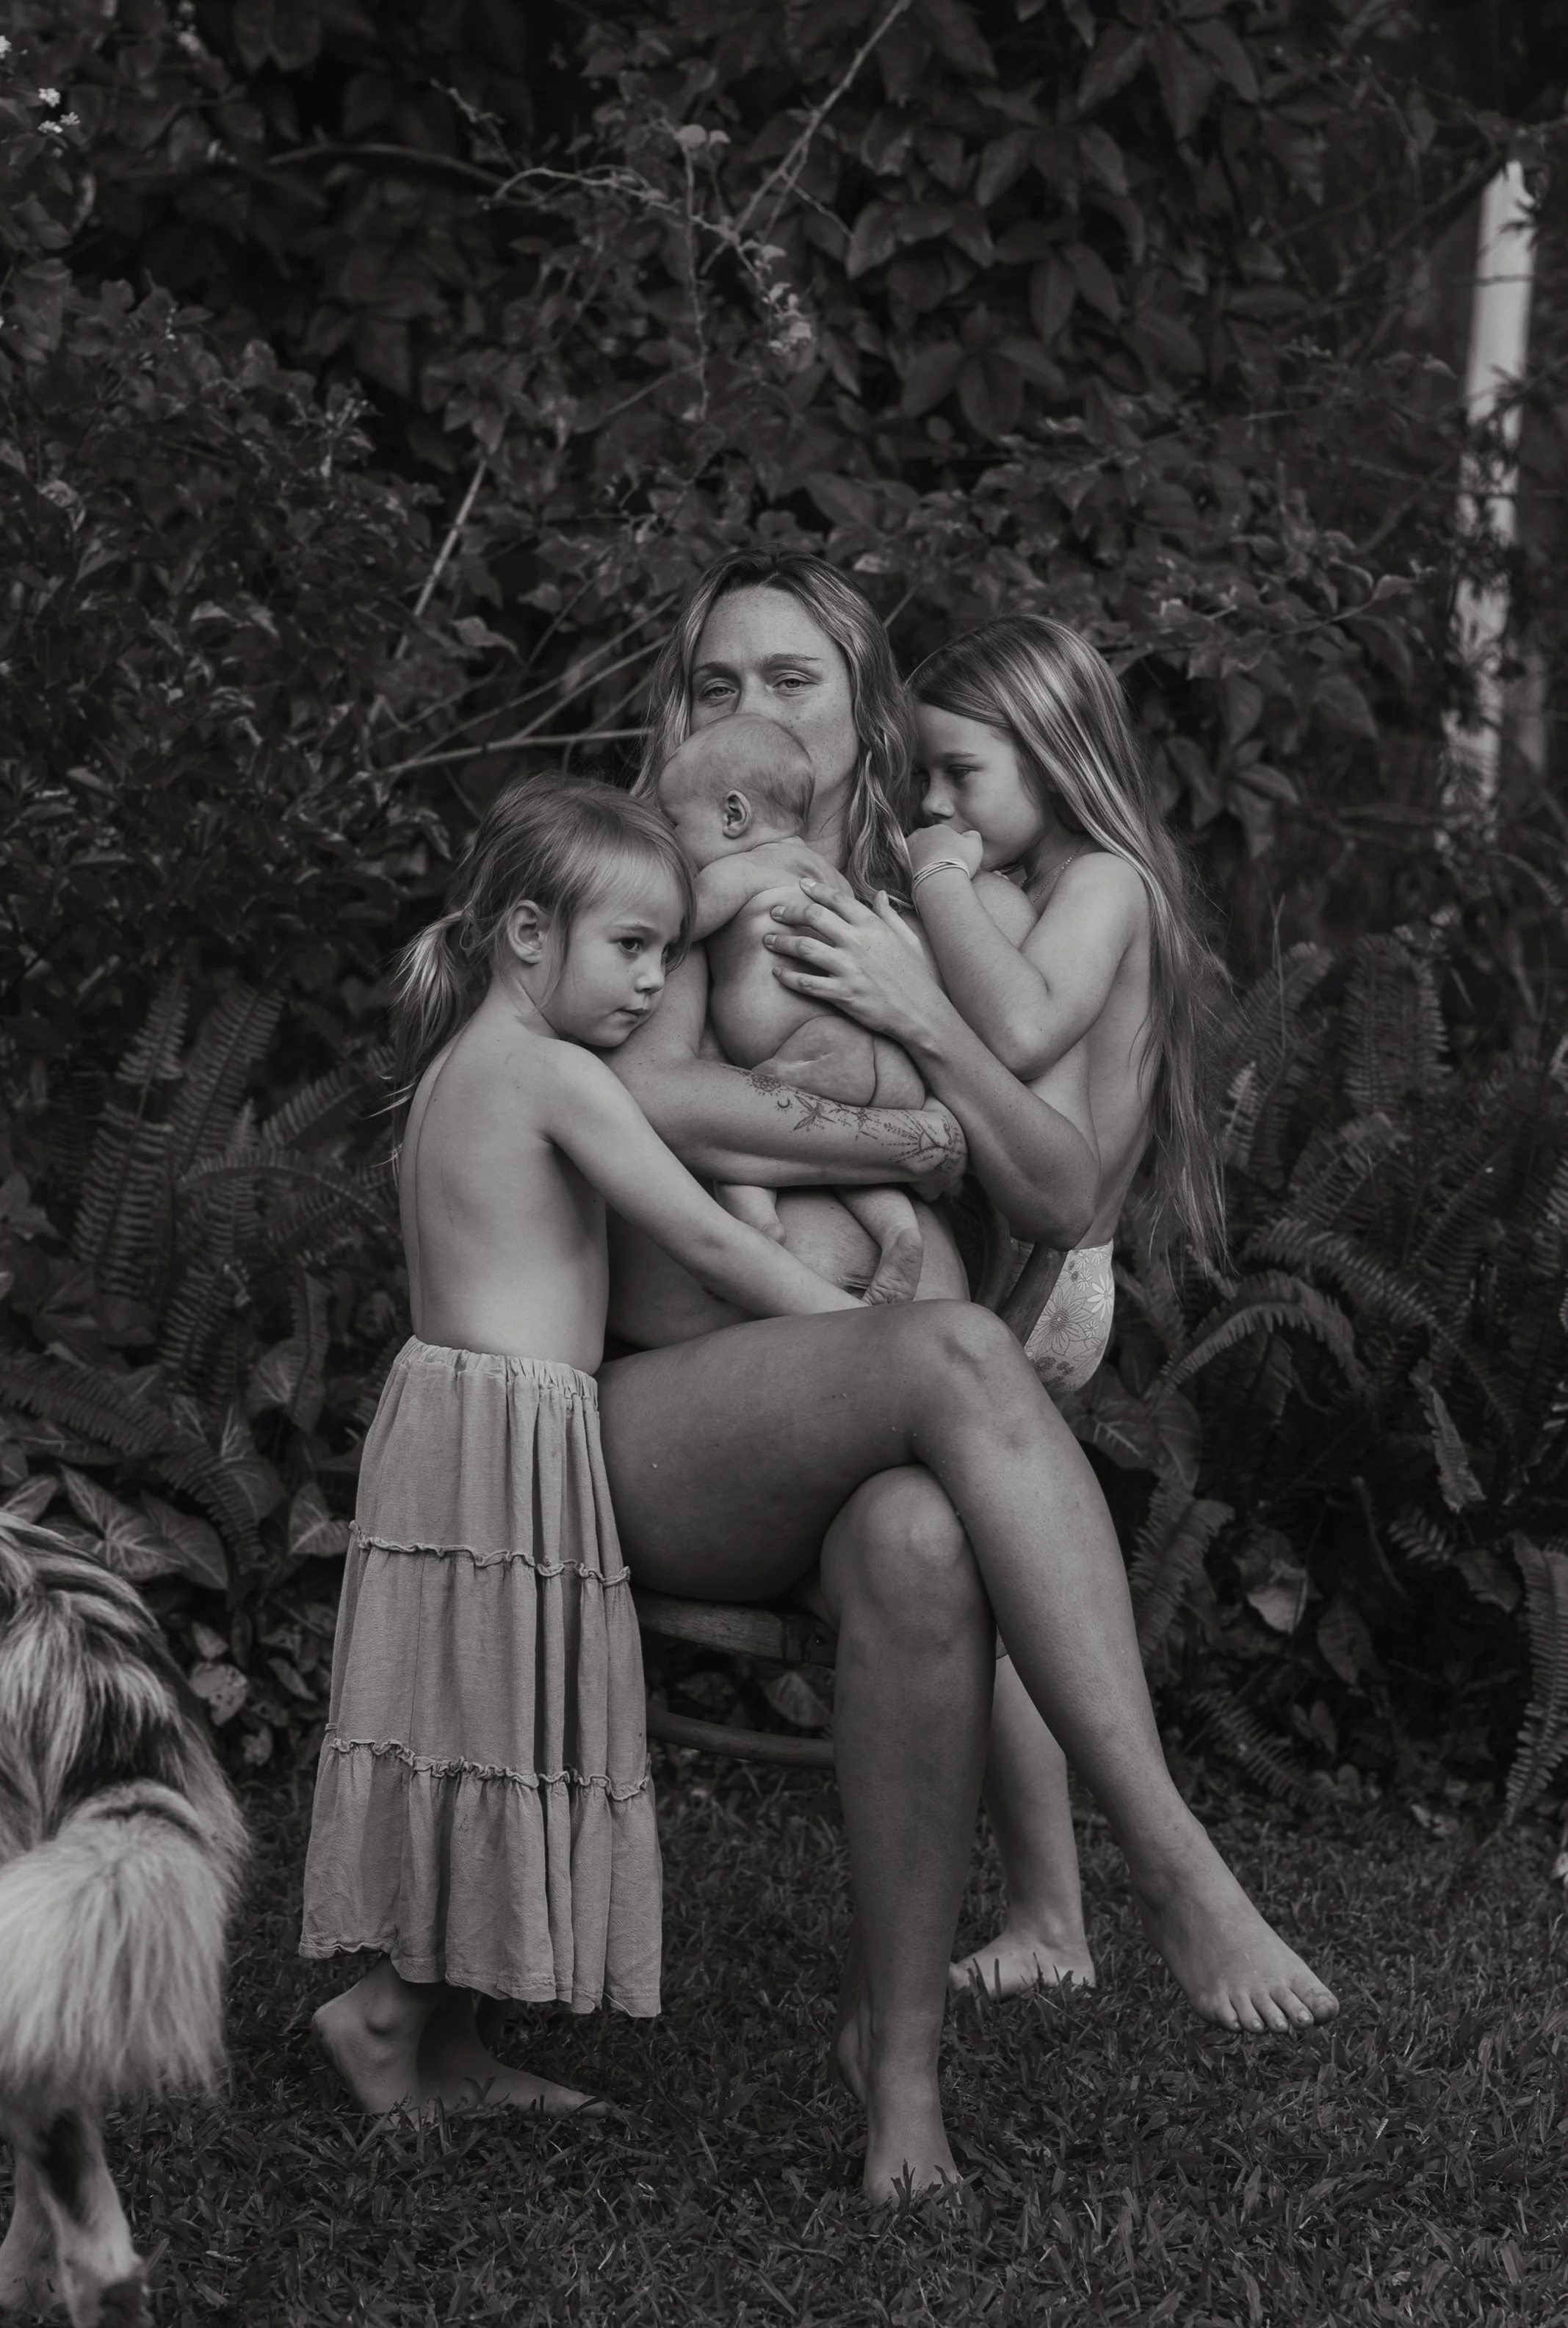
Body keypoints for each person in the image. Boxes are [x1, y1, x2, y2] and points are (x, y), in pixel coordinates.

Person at [599, 550, 1337, 2203]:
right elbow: (645, 1107)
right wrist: (905, 1135)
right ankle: (1163, 1855)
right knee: (948, 1347)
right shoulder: (642, 869)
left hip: (832, 1416)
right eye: (714, 683)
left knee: (925, 1539)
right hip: (655, 1418)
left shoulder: (917, 902)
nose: (746, 713)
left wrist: (922, 1046)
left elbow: (1058, 1188)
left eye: (790, 681)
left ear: (864, 715)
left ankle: (899, 2079)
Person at [300, 775, 864, 2117]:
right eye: (632, 947)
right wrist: (865, 1332)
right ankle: (385, 2017)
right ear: (530, 935)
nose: (653, 978)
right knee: (503, 1720)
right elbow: (713, 1239)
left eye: (668, 948)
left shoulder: (459, 1068)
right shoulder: (555, 1075)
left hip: (445, 1419)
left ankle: (446, 2043)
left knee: (470, 1722)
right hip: (512, 1432)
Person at [905, 615, 1226, 2001]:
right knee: (1002, 1583)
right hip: (1038, 1281)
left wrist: (929, 890)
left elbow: (1025, 1028)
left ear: (1056, 753)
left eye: (961, 776)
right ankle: (1050, 1914)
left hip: (1041, 1288)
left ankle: (1058, 1908)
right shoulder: (1041, 877)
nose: (935, 808)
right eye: (922, 783)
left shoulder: (1102, 880)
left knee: (992, 1581)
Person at [657, 713, 928, 1303]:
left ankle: (760, 1226)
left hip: (810, 1048)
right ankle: (899, 1233)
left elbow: (682, 922)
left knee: (741, 1134)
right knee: (847, 1164)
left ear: (733, 815)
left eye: (673, 824)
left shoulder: (743, 866)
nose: (669, 840)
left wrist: (642, 914)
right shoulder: (820, 870)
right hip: (875, 1058)